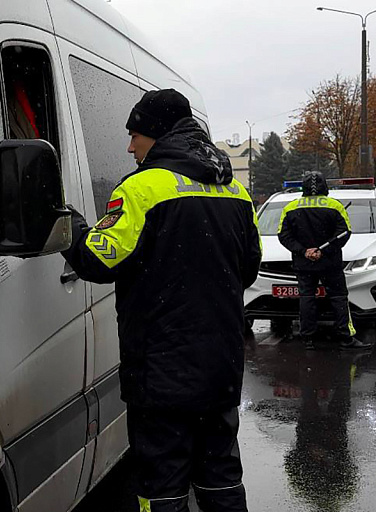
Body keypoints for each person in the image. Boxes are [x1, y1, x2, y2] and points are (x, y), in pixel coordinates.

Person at [62, 89, 261, 512]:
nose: (130, 146)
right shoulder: (236, 192)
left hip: (162, 376)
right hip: (221, 371)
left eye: (134, 135)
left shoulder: (141, 189)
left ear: (157, 133)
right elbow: (248, 270)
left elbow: (97, 260)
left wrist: (69, 226)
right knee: (222, 479)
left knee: (163, 488)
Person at [277, 171, 371, 350]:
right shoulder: (334, 206)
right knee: (338, 298)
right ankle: (345, 337)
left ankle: (308, 339)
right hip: (330, 262)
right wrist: (324, 250)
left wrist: (304, 251)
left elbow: (283, 235)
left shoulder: (290, 208)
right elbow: (345, 232)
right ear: (324, 186)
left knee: (307, 298)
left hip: (304, 263)